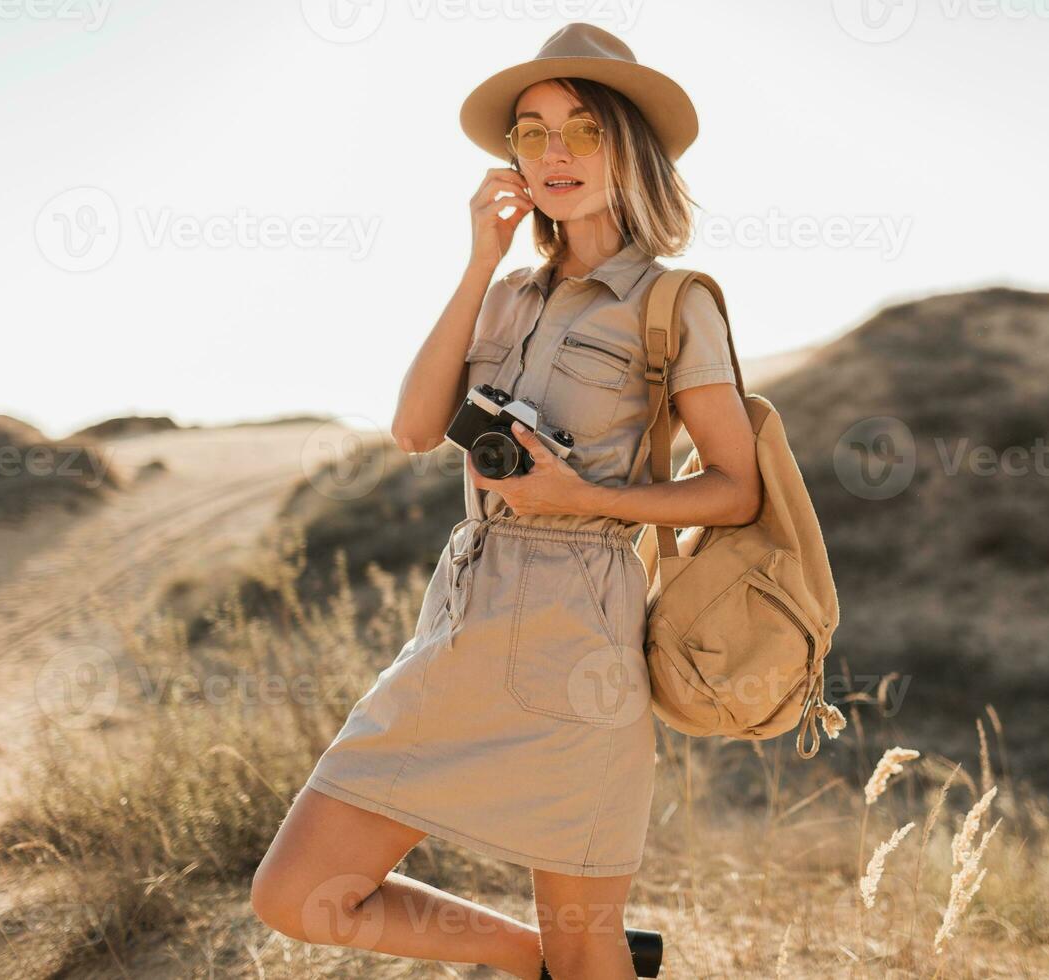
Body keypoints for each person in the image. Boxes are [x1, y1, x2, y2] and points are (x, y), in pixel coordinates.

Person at [250, 23, 759, 980]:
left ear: (631, 149)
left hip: (582, 634)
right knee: (297, 895)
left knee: (585, 947)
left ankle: (582, 960)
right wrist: (481, 257)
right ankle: (551, 962)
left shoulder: (673, 302)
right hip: (460, 619)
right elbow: (412, 428)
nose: (554, 153)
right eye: (531, 132)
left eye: (584, 130)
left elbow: (734, 492)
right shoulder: (507, 294)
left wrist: (586, 491)